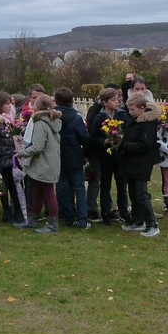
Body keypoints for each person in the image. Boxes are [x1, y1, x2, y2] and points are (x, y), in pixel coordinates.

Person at [18, 93, 63, 234]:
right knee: (38, 192)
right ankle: (33, 220)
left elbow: (37, 146)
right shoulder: (52, 120)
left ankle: (53, 224)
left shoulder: (40, 123)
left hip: (45, 163)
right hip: (49, 161)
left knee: (48, 193)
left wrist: (21, 152)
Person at [119, 94, 161, 237]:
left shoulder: (148, 124)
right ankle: (137, 221)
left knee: (142, 194)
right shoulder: (132, 121)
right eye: (129, 109)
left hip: (142, 163)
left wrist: (123, 145)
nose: (130, 112)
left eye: (132, 109)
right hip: (130, 161)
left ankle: (152, 224)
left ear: (142, 108)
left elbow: (145, 145)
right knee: (134, 193)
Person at [90, 87, 129, 225]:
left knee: (122, 186)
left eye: (117, 99)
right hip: (105, 157)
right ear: (105, 102)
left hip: (120, 156)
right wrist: (104, 141)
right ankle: (106, 212)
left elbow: (129, 132)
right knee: (105, 185)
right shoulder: (99, 117)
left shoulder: (123, 115)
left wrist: (123, 138)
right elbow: (92, 137)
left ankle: (124, 212)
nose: (117, 102)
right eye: (113, 100)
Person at [54, 87, 91, 229]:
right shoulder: (76, 118)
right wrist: (86, 154)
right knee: (79, 188)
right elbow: (85, 138)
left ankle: (68, 217)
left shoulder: (53, 116)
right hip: (74, 157)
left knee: (64, 187)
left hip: (59, 156)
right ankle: (82, 219)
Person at [0, 90, 23, 223]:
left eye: (10, 103)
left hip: (14, 159)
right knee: (5, 186)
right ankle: (6, 211)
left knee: (17, 186)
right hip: (3, 160)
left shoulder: (12, 120)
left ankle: (19, 211)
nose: (10, 106)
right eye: (6, 104)